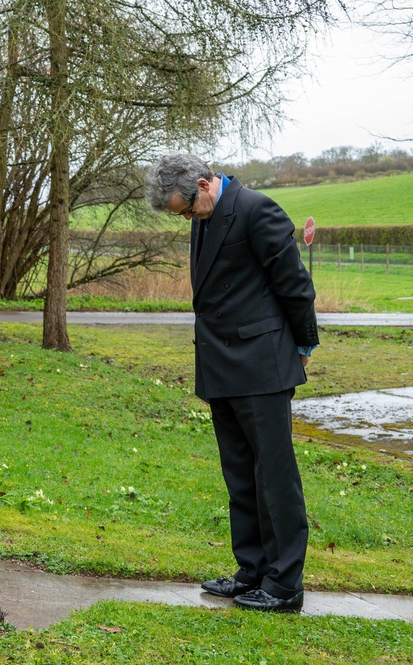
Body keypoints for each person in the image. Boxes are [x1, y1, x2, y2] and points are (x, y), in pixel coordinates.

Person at [144, 153, 319, 613]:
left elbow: (295, 285)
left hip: (262, 365)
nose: (186, 219)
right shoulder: (203, 218)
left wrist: (304, 344)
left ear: (203, 184)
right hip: (221, 364)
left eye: (185, 209)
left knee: (274, 476)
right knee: (240, 475)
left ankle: (284, 586)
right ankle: (253, 570)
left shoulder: (257, 210)